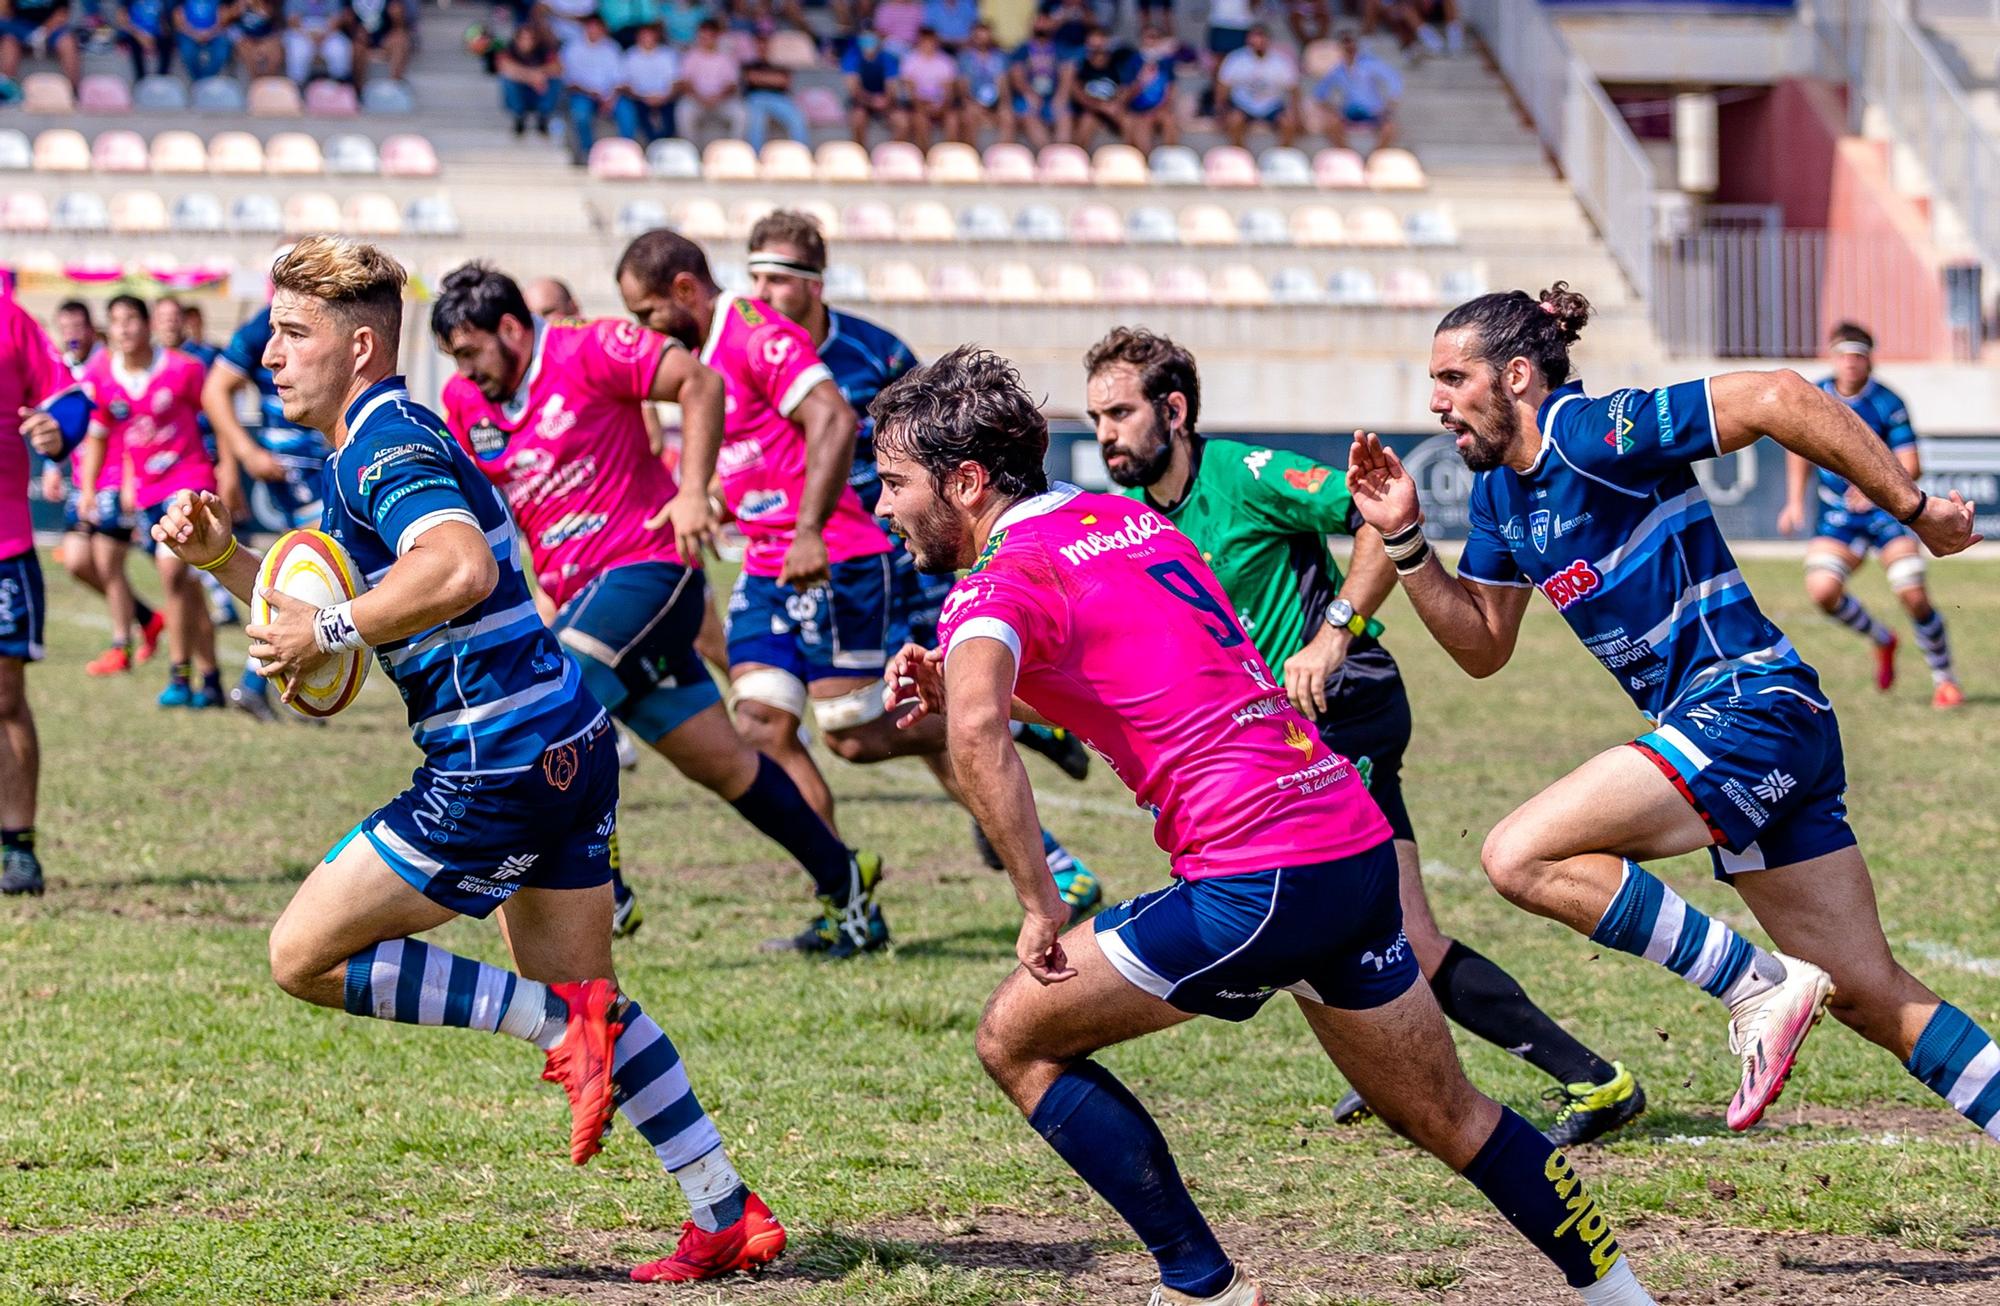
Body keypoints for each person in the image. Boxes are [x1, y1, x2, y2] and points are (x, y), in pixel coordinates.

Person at [873, 345, 1657, 1306]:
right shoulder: (1119, 520)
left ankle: (1200, 1287)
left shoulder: (993, 583)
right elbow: (1144, 686)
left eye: (894, 482)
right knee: (1451, 1117)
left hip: (1256, 880)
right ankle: (1622, 1294)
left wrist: (1039, 901)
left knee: (1017, 1038)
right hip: (1349, 845)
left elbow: (979, 728)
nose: (882, 507)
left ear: (962, 480)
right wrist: (963, 681)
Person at [149, 236, 787, 1284]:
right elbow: (326, 617)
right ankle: (723, 1206)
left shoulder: (381, 446)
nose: (268, 356)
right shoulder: (385, 435)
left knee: (301, 956)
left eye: (291, 334)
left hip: (490, 763)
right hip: (566, 740)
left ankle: (551, 1022)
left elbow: (452, 568)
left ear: (359, 347)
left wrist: (336, 630)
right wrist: (225, 556)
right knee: (596, 997)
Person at [1344, 283, 1999, 1146]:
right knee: (1874, 996)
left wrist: (1912, 511)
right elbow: (1481, 644)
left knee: (1519, 854)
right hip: (1753, 724)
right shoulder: (1504, 495)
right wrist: (1405, 542)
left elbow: (1780, 396)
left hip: (1747, 703)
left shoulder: (1590, 432)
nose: (1435, 402)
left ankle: (1754, 984)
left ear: (1514, 376)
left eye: (1451, 378)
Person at [1087, 326, 1642, 1146]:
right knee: (1349, 932)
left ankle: (1593, 1081)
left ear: (1173, 410)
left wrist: (1334, 630)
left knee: (1381, 934)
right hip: (1282, 739)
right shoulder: (1133, 520)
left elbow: (1381, 519)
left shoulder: (1246, 474)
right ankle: (1405, 1076)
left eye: (1120, 413)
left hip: (1347, 704)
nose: (1104, 434)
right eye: (1095, 417)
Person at [620, 230, 1101, 945]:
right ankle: (848, 903)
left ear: (685, 291)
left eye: (649, 313)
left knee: (850, 734)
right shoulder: (713, 353)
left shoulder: (759, 336)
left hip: (835, 552)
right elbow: (761, 448)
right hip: (764, 561)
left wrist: (810, 526)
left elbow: (835, 419)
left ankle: (1015, 720)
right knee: (761, 723)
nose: (644, 331)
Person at [432, 262, 888, 956]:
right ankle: (846, 884)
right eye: (455, 359)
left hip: (649, 571)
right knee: (727, 765)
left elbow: (698, 382)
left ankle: (604, 892)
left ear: (512, 329)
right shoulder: (467, 400)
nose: (466, 371)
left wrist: (692, 489)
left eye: (471, 352)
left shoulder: (588, 347)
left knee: (552, 704)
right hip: (586, 596)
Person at [746, 210, 1099, 913]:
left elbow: (930, 445)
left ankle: (1034, 793)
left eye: (778, 278)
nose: (762, 292)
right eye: (753, 276)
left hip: (885, 558)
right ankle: (862, 899)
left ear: (814, 284)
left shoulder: (875, 354)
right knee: (797, 719)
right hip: (798, 560)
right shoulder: (749, 354)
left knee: (876, 722)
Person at [1777, 322, 1961, 708]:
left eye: (1858, 355)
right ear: (1832, 357)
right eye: (1843, 355)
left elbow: (1911, 463)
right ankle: (1882, 638)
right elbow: (1797, 451)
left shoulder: (1888, 402)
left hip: (1887, 514)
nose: (1850, 363)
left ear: (1869, 360)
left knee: (1913, 594)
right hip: (1838, 516)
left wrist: (1876, 486)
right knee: (1822, 591)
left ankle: (1944, 679)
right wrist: (1794, 501)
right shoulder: (1815, 397)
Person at [79, 296, 222, 708]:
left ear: (147, 326)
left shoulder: (184, 369)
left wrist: (229, 471)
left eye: (130, 320)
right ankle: (210, 678)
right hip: (145, 492)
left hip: (189, 480)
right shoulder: (105, 374)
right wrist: (91, 487)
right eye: (115, 321)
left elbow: (218, 416)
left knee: (170, 569)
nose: (123, 329)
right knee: (184, 588)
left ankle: (179, 677)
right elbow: (102, 434)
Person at [204, 278, 337, 722]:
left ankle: (293, 686)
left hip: (322, 461)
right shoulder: (265, 324)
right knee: (315, 566)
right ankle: (257, 681)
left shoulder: (320, 320)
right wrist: (245, 453)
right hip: (293, 464)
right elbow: (215, 389)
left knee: (318, 573)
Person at [3, 299, 95, 897]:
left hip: (2, 541)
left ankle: (18, 846)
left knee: (5, 696)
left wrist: (57, 431)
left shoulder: (9, 319)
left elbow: (71, 399)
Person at [45, 301, 166, 677]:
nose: (72, 333)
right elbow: (61, 422)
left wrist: (128, 475)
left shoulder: (107, 365)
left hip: (115, 476)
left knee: (107, 562)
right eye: (64, 326)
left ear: (92, 328)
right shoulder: (61, 367)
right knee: (79, 562)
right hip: (85, 479)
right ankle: (146, 617)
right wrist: (54, 465)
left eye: (78, 325)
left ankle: (121, 645)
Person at [1312, 26, 1399, 152]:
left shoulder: (1370, 63)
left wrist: (1389, 105)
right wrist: (1333, 109)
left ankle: (1374, 157)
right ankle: (1349, 155)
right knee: (1331, 124)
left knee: (1389, 128)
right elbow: (1319, 94)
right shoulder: (1337, 70)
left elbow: (1393, 80)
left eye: (1351, 42)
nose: (1349, 46)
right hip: (1350, 112)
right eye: (1345, 43)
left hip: (1372, 111)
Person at [1218, 24, 1298, 149]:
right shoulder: (1235, 59)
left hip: (1272, 105)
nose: (1258, 41)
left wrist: (1297, 113)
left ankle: (1281, 154)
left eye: (1261, 36)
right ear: (1248, 39)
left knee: (1288, 123)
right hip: (1243, 104)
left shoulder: (1281, 61)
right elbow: (1223, 87)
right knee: (1234, 121)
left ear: (1268, 39)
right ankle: (1241, 153)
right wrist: (1221, 111)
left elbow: (1294, 89)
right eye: (1254, 36)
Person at [561, 13, 624, 163]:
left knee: (626, 112)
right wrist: (590, 92)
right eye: (591, 28)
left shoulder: (613, 48)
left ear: (603, 30)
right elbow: (568, 80)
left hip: (609, 95)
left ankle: (626, 152)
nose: (594, 31)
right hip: (582, 93)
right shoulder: (572, 48)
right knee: (580, 114)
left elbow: (619, 79)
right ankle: (587, 152)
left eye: (597, 28)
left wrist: (610, 99)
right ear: (585, 28)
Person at [1122, 21, 1190, 154]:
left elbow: (1171, 89)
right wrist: (1141, 81)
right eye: (1148, 37)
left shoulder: (1167, 62)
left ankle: (1169, 160)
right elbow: (1125, 95)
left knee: (1170, 121)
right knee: (1143, 123)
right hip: (1137, 110)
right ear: (1142, 39)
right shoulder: (1132, 61)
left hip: (1160, 109)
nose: (1151, 41)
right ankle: (1146, 162)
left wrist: (1160, 108)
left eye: (1155, 37)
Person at [675, 18, 746, 142]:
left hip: (721, 100)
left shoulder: (726, 57)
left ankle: (734, 150)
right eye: (702, 37)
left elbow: (732, 85)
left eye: (708, 37)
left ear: (716, 37)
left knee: (741, 114)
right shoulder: (691, 56)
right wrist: (700, 97)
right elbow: (685, 83)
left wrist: (718, 97)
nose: (704, 40)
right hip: (696, 99)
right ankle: (693, 151)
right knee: (683, 111)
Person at [1057, 24, 1126, 148]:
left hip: (1111, 107)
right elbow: (1078, 94)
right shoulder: (1079, 64)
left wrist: (1116, 103)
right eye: (1094, 43)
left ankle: (1133, 157)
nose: (1097, 46)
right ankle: (1077, 157)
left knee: (1130, 120)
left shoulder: (1119, 62)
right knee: (1088, 119)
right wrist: (1101, 106)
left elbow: (1124, 89)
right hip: (1089, 109)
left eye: (1101, 42)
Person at [740, 27, 808, 152]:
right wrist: (773, 79)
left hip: (779, 99)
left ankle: (802, 154)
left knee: (797, 118)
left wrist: (761, 78)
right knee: (756, 121)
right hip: (756, 98)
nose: (762, 47)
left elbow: (785, 81)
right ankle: (756, 157)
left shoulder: (779, 63)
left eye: (765, 44)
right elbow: (751, 78)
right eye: (759, 44)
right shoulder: (749, 63)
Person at [614, 21, 679, 146]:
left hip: (665, 98)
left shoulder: (668, 54)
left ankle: (666, 147)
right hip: (639, 98)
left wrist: (664, 97)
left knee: (669, 120)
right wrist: (643, 97)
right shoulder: (630, 56)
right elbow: (624, 83)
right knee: (639, 115)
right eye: (644, 36)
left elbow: (676, 81)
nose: (647, 39)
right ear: (638, 37)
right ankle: (653, 147)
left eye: (650, 35)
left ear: (656, 37)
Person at [496, 19, 562, 137]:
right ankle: (519, 115)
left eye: (530, 39)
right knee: (506, 79)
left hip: (538, 92)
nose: (526, 42)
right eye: (523, 38)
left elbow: (558, 67)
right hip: (521, 93)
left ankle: (543, 115)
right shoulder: (510, 49)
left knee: (555, 80)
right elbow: (505, 67)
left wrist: (538, 74)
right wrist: (532, 77)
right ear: (517, 39)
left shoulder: (543, 49)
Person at [1005, 14, 1062, 148]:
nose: (1041, 26)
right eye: (1038, 23)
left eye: (1045, 22)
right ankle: (1049, 154)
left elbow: (1067, 73)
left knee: (1064, 114)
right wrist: (1029, 93)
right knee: (1028, 116)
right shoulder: (1022, 50)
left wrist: (1060, 97)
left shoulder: (1060, 49)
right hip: (1027, 96)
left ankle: (1063, 155)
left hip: (1052, 96)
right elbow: (1016, 76)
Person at [841, 27, 904, 144]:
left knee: (901, 121)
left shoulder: (888, 58)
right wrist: (871, 101)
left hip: (885, 101)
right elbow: (854, 89)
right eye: (865, 37)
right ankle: (860, 154)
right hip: (862, 102)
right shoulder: (851, 57)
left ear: (879, 39)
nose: (869, 41)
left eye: (872, 37)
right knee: (857, 119)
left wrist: (885, 101)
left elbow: (892, 87)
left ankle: (891, 154)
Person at [956, 20, 1014, 145]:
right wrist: (974, 104)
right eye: (978, 37)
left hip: (995, 103)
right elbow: (963, 87)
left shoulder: (999, 57)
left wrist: (1004, 104)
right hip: (974, 102)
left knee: (1007, 115)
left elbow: (1002, 84)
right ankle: (971, 155)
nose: (982, 40)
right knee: (969, 114)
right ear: (973, 37)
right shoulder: (965, 58)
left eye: (985, 36)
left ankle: (1001, 155)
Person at [899, 25, 959, 147]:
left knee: (952, 120)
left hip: (941, 105)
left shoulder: (945, 61)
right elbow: (910, 89)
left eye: (930, 41)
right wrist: (922, 107)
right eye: (924, 41)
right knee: (920, 120)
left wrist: (941, 107)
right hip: (918, 105)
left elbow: (949, 90)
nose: (928, 45)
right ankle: (925, 156)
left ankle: (948, 156)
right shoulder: (910, 60)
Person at [282, 0, 352, 83]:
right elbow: (292, 20)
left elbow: (336, 18)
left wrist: (324, 35)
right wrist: (309, 35)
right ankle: (297, 85)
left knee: (339, 49)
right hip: (301, 32)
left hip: (327, 32)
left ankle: (339, 83)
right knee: (297, 52)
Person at [347, 0, 412, 86]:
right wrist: (355, 30)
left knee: (400, 39)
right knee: (357, 48)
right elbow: (346, 16)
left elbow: (400, 26)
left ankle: (394, 86)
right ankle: (358, 90)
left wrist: (398, 18)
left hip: (385, 39)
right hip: (359, 40)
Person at [173, 0, 237, 80]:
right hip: (189, 34)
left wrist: (210, 33)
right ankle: (196, 80)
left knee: (222, 48)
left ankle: (207, 80)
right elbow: (177, 17)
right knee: (187, 51)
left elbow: (223, 16)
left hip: (214, 33)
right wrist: (195, 34)